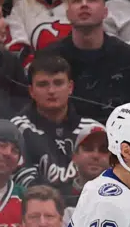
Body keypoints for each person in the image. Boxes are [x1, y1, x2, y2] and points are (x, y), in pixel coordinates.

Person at [51, 0, 130, 122]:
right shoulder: (51, 58)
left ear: (105, 12)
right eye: (76, 0)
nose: (84, 4)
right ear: (67, 14)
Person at [12, 53, 86, 197]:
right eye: (43, 84)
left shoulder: (93, 131)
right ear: (31, 91)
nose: (51, 91)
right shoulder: (17, 130)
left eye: (58, 83)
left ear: (70, 87)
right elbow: (27, 185)